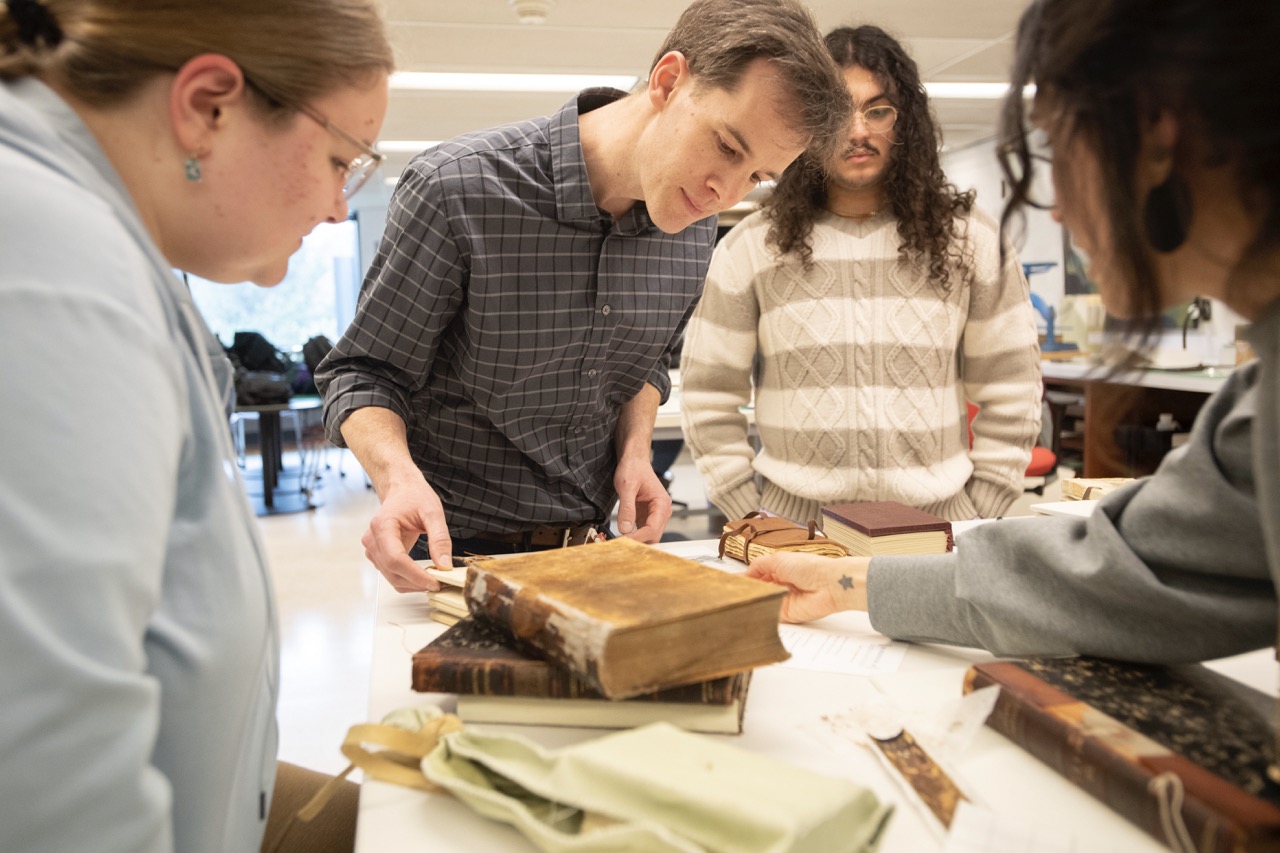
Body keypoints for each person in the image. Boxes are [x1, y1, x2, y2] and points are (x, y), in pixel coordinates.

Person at [746, 0, 1280, 665]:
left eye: (1058, 146)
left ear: (1154, 137)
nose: (1055, 202)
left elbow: (1110, 565)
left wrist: (967, 515)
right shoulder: (1256, 417)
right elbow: (1123, 572)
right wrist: (850, 580)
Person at [0, 1, 392, 851]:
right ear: (208, 104)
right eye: (339, 159)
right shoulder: (53, 263)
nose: (335, 208)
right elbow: (47, 775)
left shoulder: (108, 245)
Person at [316, 0, 852, 592]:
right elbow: (364, 372)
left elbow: (645, 362)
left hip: (597, 551)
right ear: (669, 81)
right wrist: (396, 480)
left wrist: (636, 449)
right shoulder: (457, 189)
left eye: (755, 177)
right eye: (726, 146)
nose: (722, 191)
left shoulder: (693, 223)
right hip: (451, 558)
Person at [679, 25, 1043, 527]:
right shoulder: (751, 247)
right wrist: (749, 514)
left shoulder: (971, 240)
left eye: (878, 110)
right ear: (807, 123)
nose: (858, 131)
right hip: (797, 530)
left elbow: (1013, 386)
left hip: (939, 531)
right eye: (837, 112)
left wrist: (980, 510)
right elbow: (708, 393)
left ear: (905, 121)